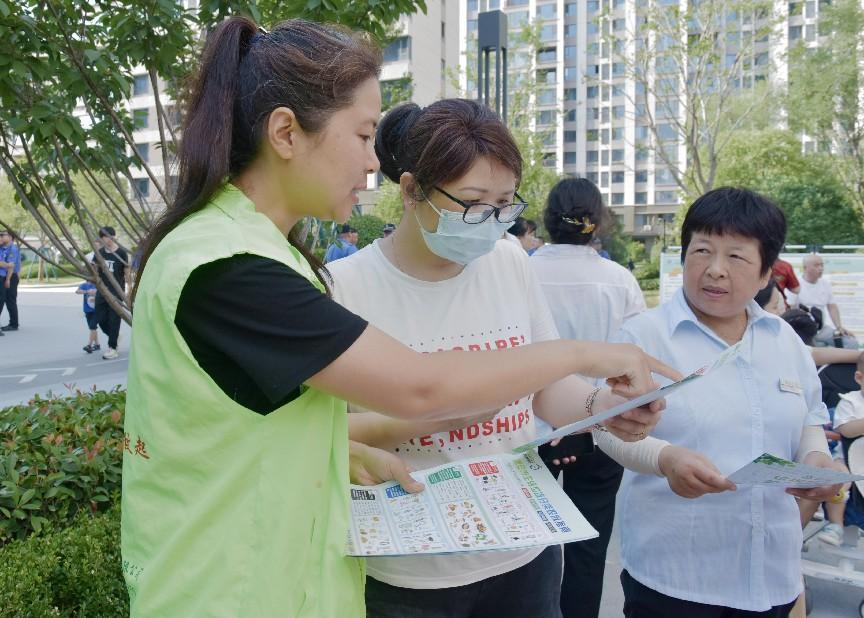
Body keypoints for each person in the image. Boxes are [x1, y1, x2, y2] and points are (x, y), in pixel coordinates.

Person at [122, 19, 674, 617]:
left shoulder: (265, 254)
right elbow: (421, 387)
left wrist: (337, 453)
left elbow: (256, 430)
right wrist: (589, 353)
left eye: (503, 205)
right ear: (285, 132)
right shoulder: (226, 268)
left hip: (293, 577)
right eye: (362, 136)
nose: (370, 163)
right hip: (234, 591)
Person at [327, 98, 676, 618]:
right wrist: (443, 410)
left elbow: (547, 386)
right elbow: (329, 436)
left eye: (505, 207)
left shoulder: (508, 260)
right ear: (409, 190)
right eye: (472, 205)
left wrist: (605, 405)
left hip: (523, 551)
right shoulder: (346, 288)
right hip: (409, 571)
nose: (489, 225)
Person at [605, 188, 842, 617]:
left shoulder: (783, 339)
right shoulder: (643, 337)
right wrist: (666, 459)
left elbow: (808, 415)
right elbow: (609, 430)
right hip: (677, 573)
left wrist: (816, 459)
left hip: (771, 571)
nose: (715, 270)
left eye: (735, 257)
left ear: (767, 271)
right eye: (702, 251)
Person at [530, 177, 647, 618]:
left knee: (529, 547)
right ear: (596, 222)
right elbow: (635, 362)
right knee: (589, 547)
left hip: (533, 426)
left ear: (548, 218)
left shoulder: (522, 271)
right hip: (601, 423)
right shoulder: (619, 280)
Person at [788, 253, 856, 348]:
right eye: (816, 265)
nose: (821, 268)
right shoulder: (796, 285)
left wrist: (839, 327)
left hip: (822, 329)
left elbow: (832, 307)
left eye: (822, 265)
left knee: (851, 343)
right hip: (804, 331)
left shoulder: (825, 284)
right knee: (818, 346)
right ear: (805, 268)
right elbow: (790, 310)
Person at [91, 226, 129, 360]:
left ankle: (113, 348)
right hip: (103, 291)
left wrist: (129, 291)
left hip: (116, 292)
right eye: (105, 236)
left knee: (114, 320)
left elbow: (126, 272)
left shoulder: (122, 253)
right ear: (101, 238)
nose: (109, 239)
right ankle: (115, 336)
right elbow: (94, 272)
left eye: (111, 236)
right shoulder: (99, 253)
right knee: (100, 319)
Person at [0, 229, 21, 332]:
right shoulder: (4, 247)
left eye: (3, 235)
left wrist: (8, 279)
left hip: (11, 276)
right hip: (7, 276)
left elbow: (11, 267)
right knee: (5, 299)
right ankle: (13, 323)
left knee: (10, 301)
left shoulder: (13, 249)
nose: (2, 236)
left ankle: (14, 324)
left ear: (10, 237)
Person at [76, 279, 100, 353]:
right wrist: (86, 292)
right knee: (92, 328)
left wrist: (95, 293)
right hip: (87, 310)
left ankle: (89, 345)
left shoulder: (98, 284)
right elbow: (77, 291)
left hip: (96, 310)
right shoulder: (84, 285)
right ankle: (97, 344)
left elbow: (103, 293)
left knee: (93, 326)